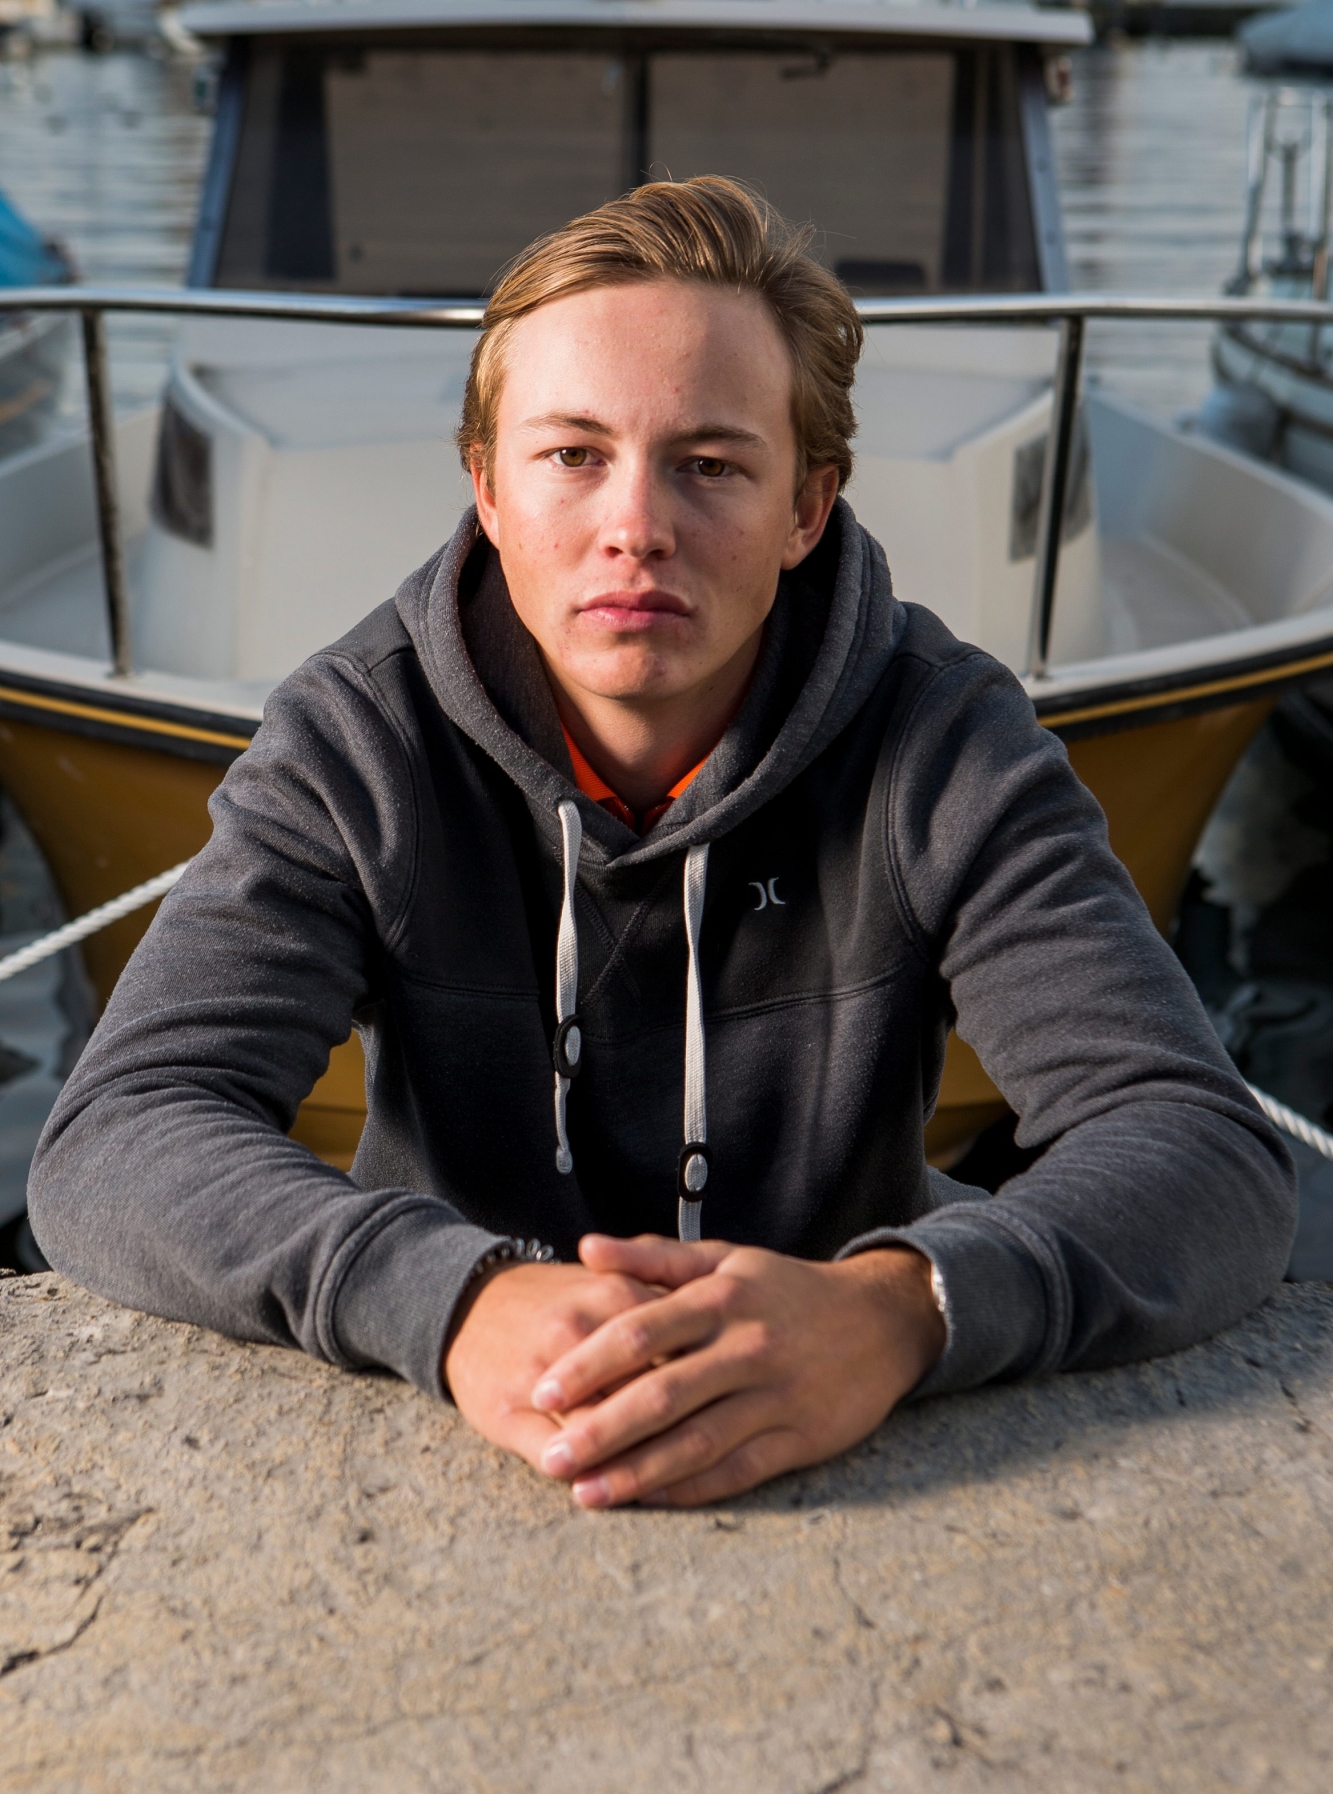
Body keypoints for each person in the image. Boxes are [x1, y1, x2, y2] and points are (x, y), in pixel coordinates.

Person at [29, 178, 1295, 1510]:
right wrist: (451, 1299)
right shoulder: (358, 742)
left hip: (866, 1458)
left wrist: (898, 1309)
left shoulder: (943, 740)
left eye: (709, 464)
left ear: (806, 510)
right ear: (489, 489)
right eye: (572, 455)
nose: (635, 524)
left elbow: (1195, 1147)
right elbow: (118, 1134)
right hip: (471, 1437)